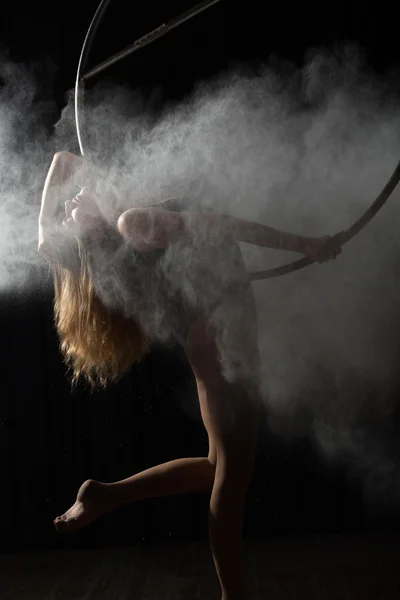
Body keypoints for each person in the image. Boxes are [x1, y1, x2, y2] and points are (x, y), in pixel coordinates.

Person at [38, 150, 341, 600]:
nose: (70, 202)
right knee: (232, 477)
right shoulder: (133, 223)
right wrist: (306, 244)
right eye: (71, 210)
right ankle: (231, 594)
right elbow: (224, 224)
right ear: (91, 230)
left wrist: (67, 190)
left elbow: (62, 166)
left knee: (221, 466)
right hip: (221, 334)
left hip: (211, 334)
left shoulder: (93, 244)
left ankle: (107, 496)